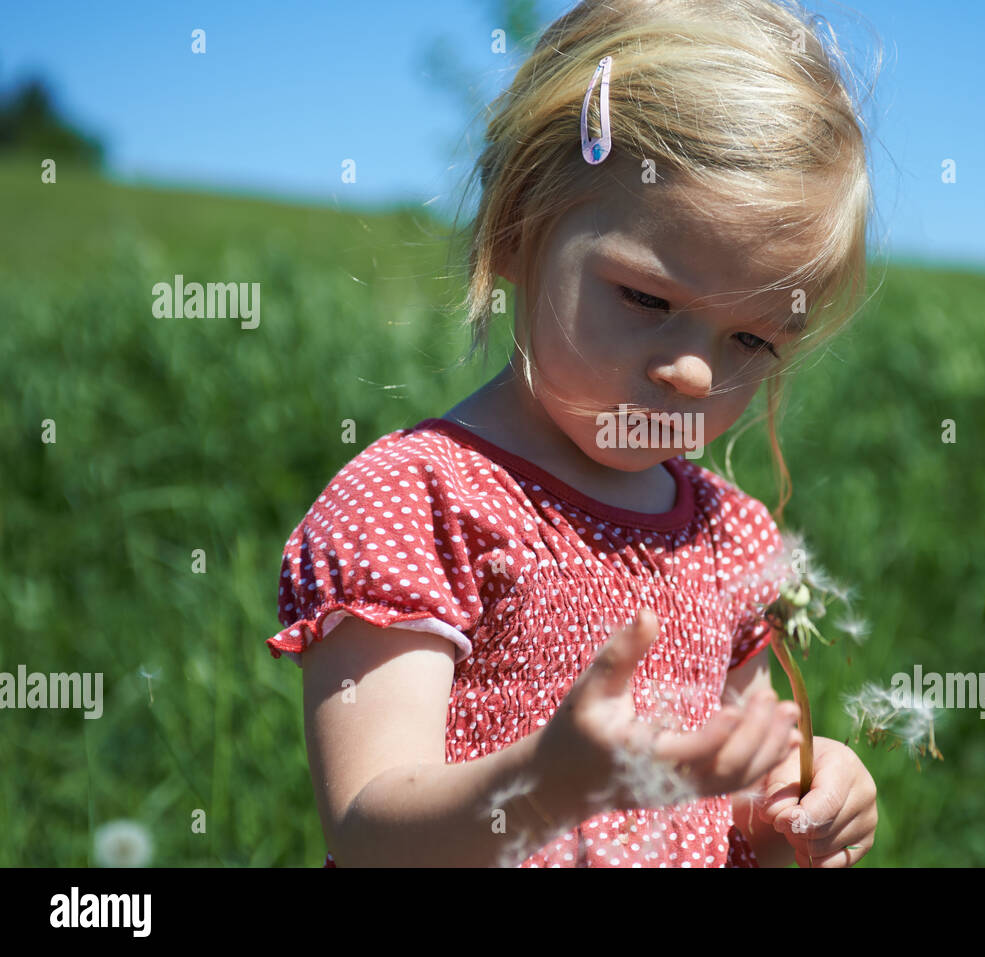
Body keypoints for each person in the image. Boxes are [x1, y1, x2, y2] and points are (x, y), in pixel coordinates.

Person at [266, 0, 879, 867]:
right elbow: (367, 829)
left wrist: (792, 814)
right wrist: (550, 786)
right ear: (518, 227)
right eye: (647, 298)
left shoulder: (730, 541)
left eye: (750, 340)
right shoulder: (420, 503)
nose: (693, 374)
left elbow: (729, 824)